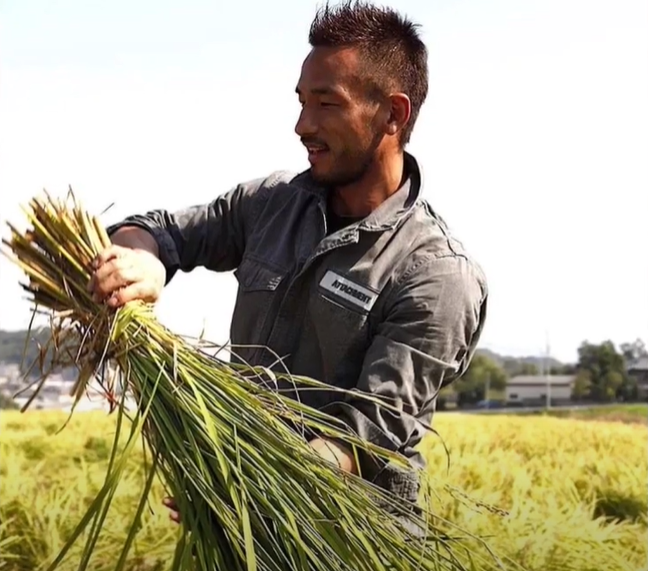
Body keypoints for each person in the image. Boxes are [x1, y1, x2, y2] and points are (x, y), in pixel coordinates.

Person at [88, 0, 487, 529]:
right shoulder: (272, 204)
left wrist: (242, 481)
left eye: (326, 104)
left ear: (393, 113)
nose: (302, 125)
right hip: (240, 532)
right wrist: (143, 260)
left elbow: (365, 437)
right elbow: (158, 229)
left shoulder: (436, 275)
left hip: (345, 542)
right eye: (301, 102)